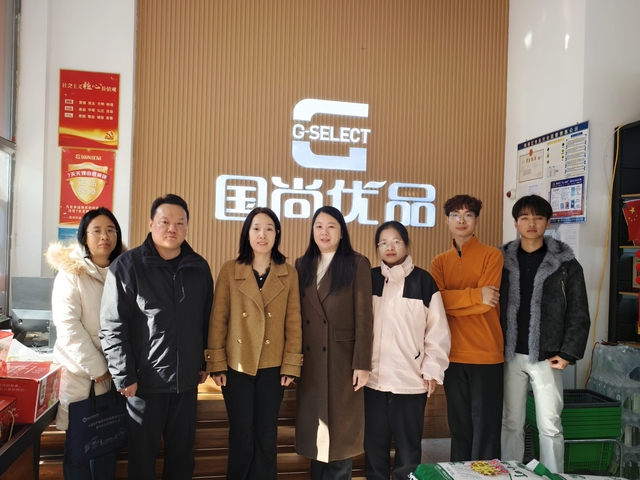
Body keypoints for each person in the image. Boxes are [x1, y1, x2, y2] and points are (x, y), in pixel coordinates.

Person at [100, 194, 213, 480]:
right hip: (143, 384)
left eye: (179, 223)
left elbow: (206, 321)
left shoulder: (199, 267)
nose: (172, 228)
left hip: (186, 384)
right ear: (151, 224)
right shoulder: (127, 266)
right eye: (164, 222)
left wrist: (203, 362)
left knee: (182, 460)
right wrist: (124, 375)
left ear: (186, 227)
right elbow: (112, 325)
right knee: (142, 462)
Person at [205, 207, 303, 479]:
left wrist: (291, 365)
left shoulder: (288, 273)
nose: (262, 234)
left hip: (273, 367)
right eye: (256, 228)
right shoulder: (230, 269)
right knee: (241, 437)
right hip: (237, 366)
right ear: (247, 234)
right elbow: (218, 319)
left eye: (269, 229)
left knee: (266, 438)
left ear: (277, 234)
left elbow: (294, 322)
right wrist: (216, 364)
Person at [500, 195, 590, 472]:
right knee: (511, 423)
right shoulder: (500, 260)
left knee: (550, 425)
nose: (531, 223)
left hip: (547, 354)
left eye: (538, 217)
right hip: (509, 353)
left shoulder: (566, 264)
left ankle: (552, 476)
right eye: (525, 218)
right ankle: (512, 474)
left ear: (548, 222)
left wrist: (568, 353)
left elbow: (578, 311)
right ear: (515, 222)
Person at [365, 221, 451, 480]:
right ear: (377, 247)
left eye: (396, 242)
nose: (389, 247)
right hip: (372, 381)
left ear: (406, 244)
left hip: (410, 381)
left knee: (409, 450)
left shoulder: (424, 281)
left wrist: (432, 370)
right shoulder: (368, 279)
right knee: (374, 448)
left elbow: (437, 331)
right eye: (383, 243)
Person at [295, 206, 373, 480]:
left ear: (341, 232)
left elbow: (364, 317)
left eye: (331, 226)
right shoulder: (302, 264)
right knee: (316, 439)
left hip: (343, 361)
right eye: (318, 226)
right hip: (311, 361)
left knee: (340, 439)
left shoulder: (356, 263)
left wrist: (362, 364)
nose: (324, 232)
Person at [46, 207, 124, 480]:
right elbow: (68, 328)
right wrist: (100, 369)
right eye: (97, 231)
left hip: (115, 379)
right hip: (81, 377)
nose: (105, 236)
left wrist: (119, 368)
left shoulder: (124, 272)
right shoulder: (71, 274)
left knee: (107, 450)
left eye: (111, 230)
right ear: (84, 236)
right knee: (79, 453)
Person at [430, 194, 504, 461]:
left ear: (477, 220)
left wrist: (453, 300)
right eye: (456, 215)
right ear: (447, 220)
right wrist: (476, 295)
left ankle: (485, 478)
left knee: (486, 427)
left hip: (487, 353)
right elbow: (437, 303)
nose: (461, 220)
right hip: (452, 354)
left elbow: (487, 304)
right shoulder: (439, 262)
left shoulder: (492, 256)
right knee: (459, 426)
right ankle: (459, 474)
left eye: (468, 215)